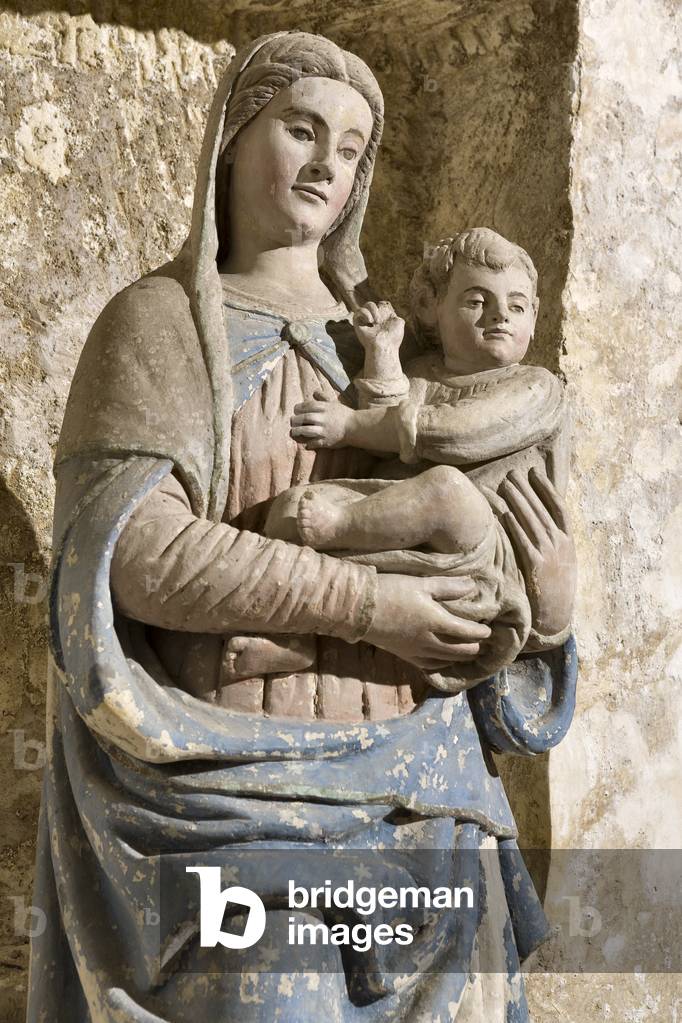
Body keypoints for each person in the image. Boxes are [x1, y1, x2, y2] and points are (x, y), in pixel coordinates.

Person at [28, 32, 577, 1022]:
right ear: (236, 139)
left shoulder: (391, 355)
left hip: (423, 796)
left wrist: (545, 605)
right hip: (223, 790)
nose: (329, 162)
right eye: (302, 129)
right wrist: (375, 606)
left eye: (354, 147)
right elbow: (142, 556)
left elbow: (478, 569)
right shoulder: (157, 325)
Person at [267, 228, 571, 685]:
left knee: (447, 487)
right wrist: (384, 351)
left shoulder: (536, 387)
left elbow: (450, 436)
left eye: (518, 305)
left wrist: (348, 426)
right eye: (476, 301)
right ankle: (297, 639)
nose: (500, 316)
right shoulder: (425, 375)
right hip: (399, 535)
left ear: (534, 317)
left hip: (482, 556)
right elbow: (388, 418)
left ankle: (337, 532)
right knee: (286, 513)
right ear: (431, 307)